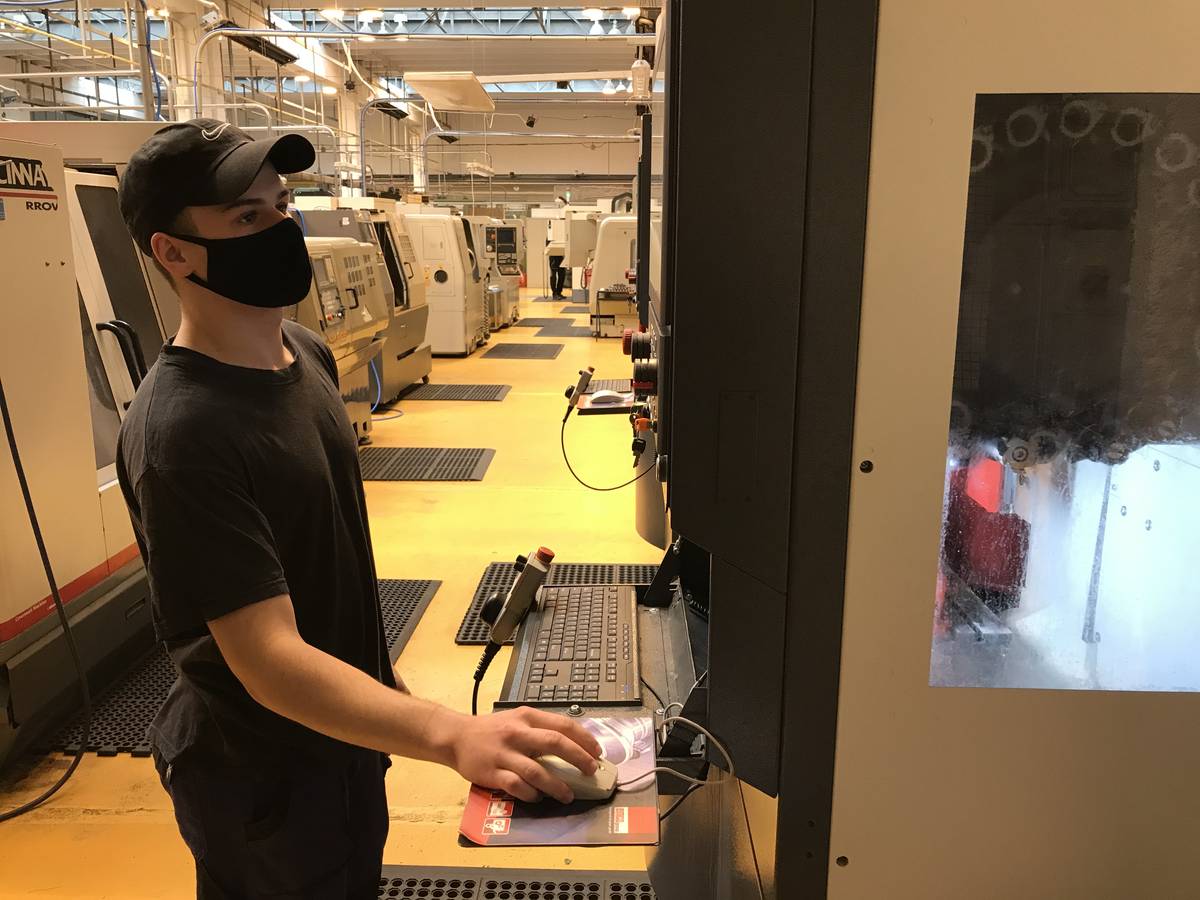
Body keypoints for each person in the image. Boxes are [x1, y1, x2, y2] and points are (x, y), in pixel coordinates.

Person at [115, 119, 602, 900]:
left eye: (283, 205)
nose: (282, 229)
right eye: (247, 217)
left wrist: (391, 701)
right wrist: (448, 733)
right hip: (264, 778)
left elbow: (324, 562)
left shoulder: (302, 355)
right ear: (173, 253)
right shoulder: (184, 433)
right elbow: (268, 659)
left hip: (341, 739)